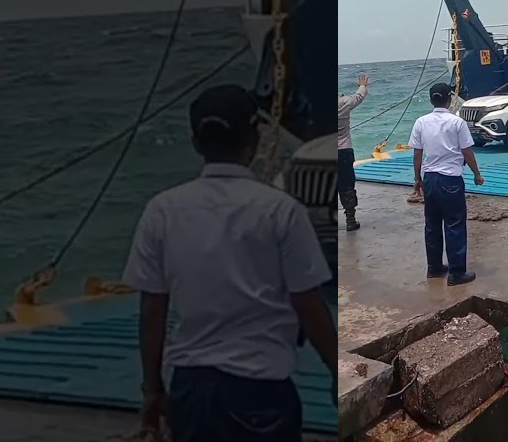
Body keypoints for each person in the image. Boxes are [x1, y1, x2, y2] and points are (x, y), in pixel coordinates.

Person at [124, 84, 336, 442]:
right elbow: (309, 304)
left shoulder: (161, 211)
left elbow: (152, 311)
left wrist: (153, 389)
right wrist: (336, 369)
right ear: (253, 140)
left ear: (195, 143)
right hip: (262, 390)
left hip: (191, 389)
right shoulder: (281, 211)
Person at [410, 83, 484, 286]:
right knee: (454, 224)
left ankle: (434, 268)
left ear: (431, 99)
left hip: (430, 179)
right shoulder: (457, 122)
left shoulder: (420, 122)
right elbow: (467, 152)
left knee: (432, 225)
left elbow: (417, 153)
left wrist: (418, 179)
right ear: (449, 99)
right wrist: (477, 174)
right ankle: (457, 273)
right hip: (450, 179)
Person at [337, 73, 369, 232]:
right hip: (343, 151)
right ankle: (350, 219)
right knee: (347, 185)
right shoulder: (343, 102)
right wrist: (363, 85)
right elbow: (358, 97)